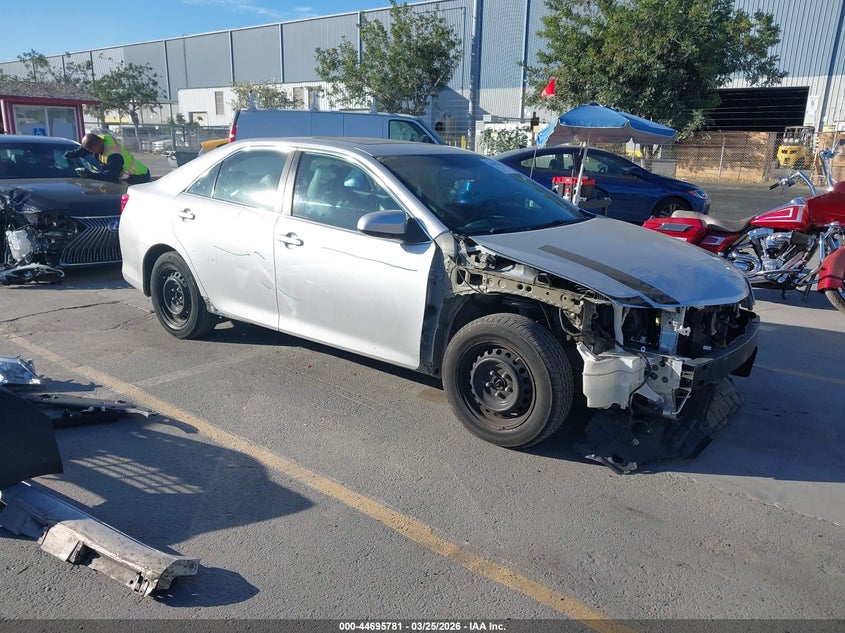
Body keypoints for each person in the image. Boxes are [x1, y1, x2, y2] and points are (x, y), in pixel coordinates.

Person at [65, 132, 151, 184]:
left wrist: (89, 174)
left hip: (139, 177)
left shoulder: (114, 156)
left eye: (91, 150)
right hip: (126, 177)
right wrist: (71, 154)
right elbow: (85, 149)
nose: (90, 152)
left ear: (95, 146)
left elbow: (111, 177)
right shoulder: (101, 140)